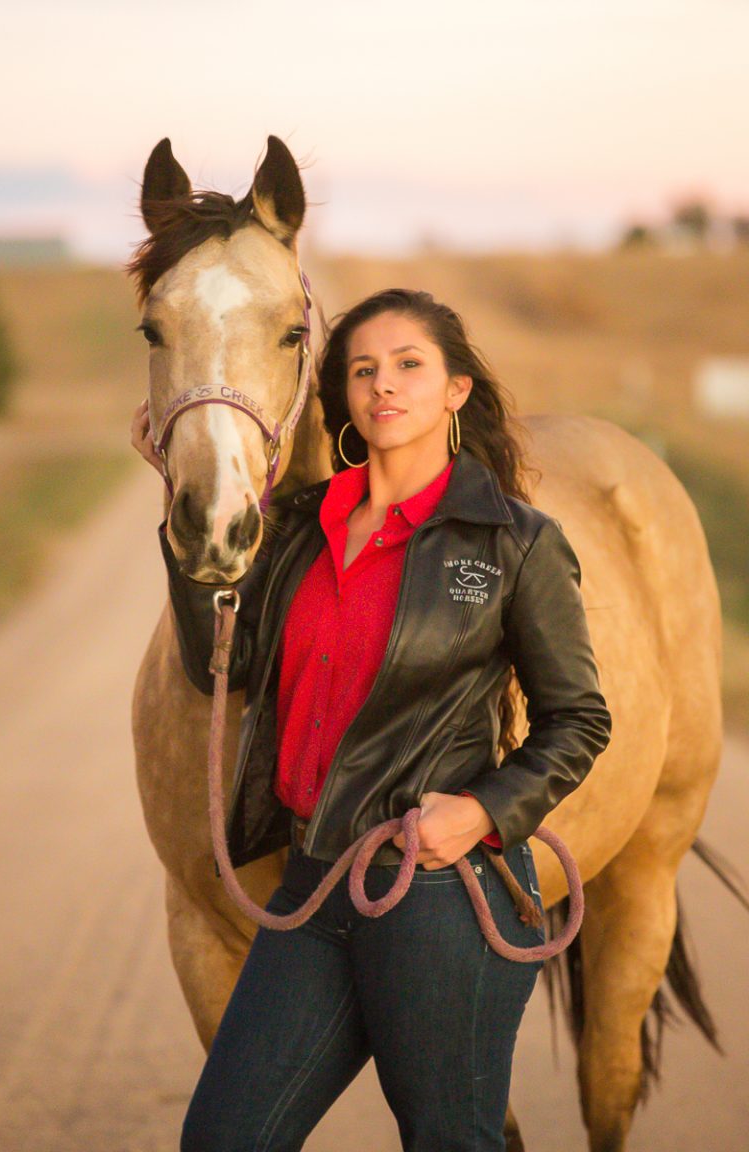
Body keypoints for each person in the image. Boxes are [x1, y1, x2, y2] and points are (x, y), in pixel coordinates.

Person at [132, 288, 612, 1152]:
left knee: (449, 1139)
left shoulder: (514, 543)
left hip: (437, 893)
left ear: (457, 389)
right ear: (344, 397)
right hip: (314, 883)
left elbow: (577, 720)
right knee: (223, 1137)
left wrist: (484, 811)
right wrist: (181, 499)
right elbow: (221, 661)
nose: (382, 386)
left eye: (408, 365)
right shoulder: (296, 533)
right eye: (362, 370)